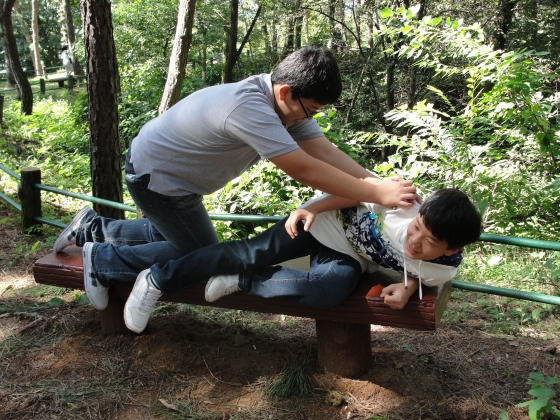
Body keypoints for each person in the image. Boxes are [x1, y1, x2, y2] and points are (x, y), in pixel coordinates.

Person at [54, 46, 416, 314]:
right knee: (199, 255)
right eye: (311, 110)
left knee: (182, 239)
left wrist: (380, 184)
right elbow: (304, 169)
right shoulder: (250, 107)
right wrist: (375, 193)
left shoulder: (286, 105)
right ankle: (103, 260)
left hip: (174, 180)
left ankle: (93, 227)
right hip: (156, 179)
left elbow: (324, 152)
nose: (309, 119)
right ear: (286, 92)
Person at [116, 188, 481, 333]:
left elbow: (421, 274)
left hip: (349, 254)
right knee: (249, 252)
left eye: (429, 242)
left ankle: (244, 279)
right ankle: (158, 279)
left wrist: (408, 288)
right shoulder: (402, 203)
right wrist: (311, 208)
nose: (415, 242)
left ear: (450, 250)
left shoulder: (441, 267)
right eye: (417, 229)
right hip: (320, 223)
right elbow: (352, 190)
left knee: (328, 290)